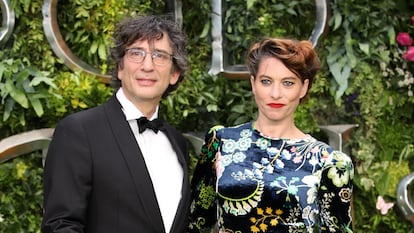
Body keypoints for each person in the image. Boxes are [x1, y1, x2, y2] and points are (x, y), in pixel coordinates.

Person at [42, 15, 191, 233]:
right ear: (120, 67)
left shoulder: (178, 143)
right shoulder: (78, 131)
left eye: (159, 55)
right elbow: (60, 225)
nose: (147, 66)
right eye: (136, 53)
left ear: (174, 74)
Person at [187, 38, 354, 233]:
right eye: (266, 81)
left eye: (288, 83)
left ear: (303, 87)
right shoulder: (221, 142)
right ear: (253, 83)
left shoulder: (330, 162)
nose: (276, 93)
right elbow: (196, 224)